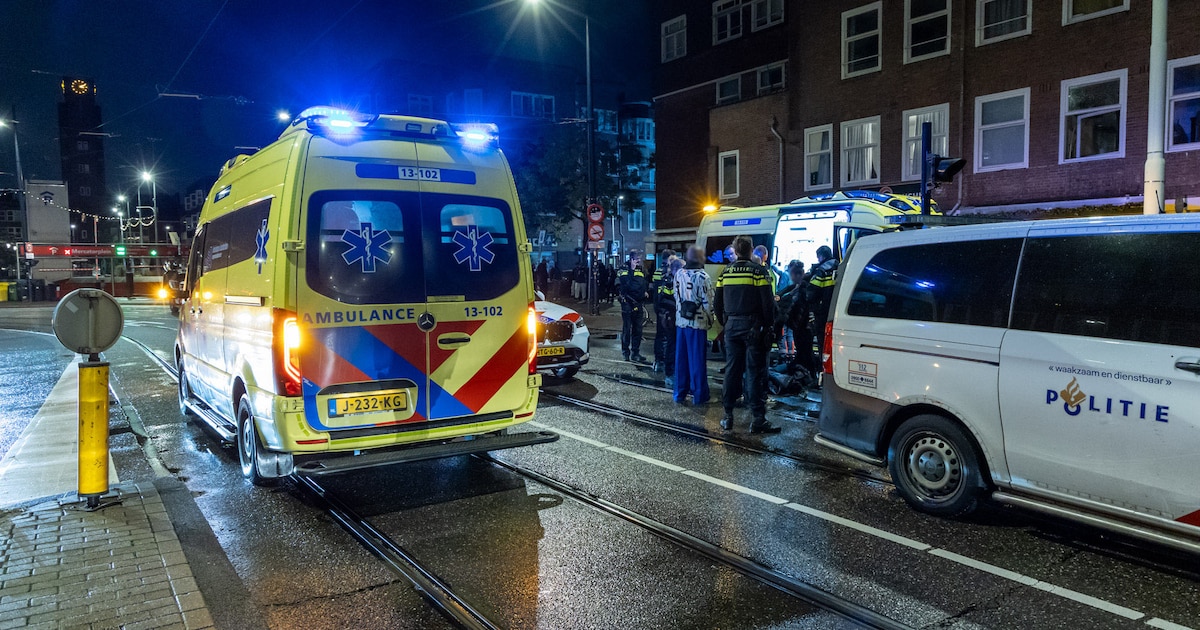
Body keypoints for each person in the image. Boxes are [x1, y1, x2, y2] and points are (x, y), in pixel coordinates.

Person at [714, 235, 780, 434]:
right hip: (753, 328)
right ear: (751, 250)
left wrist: (726, 322)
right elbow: (768, 304)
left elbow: (717, 303)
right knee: (754, 373)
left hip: (732, 326)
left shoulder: (726, 273)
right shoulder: (758, 271)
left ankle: (727, 416)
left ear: (736, 250)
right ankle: (758, 419)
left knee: (732, 371)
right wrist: (768, 326)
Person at [674, 246, 714, 405]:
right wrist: (710, 320)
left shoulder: (679, 274)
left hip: (681, 322)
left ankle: (679, 393)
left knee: (681, 360)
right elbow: (708, 302)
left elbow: (676, 296)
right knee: (697, 361)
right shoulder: (703, 277)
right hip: (697, 323)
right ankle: (699, 395)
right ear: (699, 258)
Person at [806, 245, 838, 370]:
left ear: (821, 256)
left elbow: (811, 294)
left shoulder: (822, 270)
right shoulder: (841, 267)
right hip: (837, 312)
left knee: (823, 344)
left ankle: (823, 371)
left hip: (823, 314)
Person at [617, 249, 649, 362]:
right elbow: (625, 284)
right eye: (636, 259)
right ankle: (625, 352)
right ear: (631, 259)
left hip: (638, 303)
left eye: (639, 259)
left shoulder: (641, 269)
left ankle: (636, 353)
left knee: (638, 329)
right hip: (628, 303)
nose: (638, 261)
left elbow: (643, 282)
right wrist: (631, 269)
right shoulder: (624, 269)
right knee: (627, 329)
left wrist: (644, 291)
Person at [652, 249, 677, 373]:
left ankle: (659, 360)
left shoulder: (657, 271)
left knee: (661, 335)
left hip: (660, 307)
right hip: (667, 308)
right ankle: (662, 361)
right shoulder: (667, 272)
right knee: (666, 337)